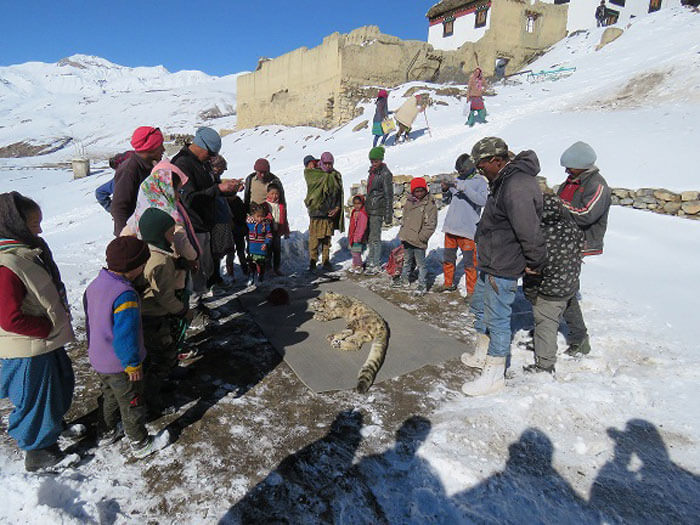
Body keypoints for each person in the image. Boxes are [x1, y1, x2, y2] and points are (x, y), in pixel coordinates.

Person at [461, 137, 546, 396]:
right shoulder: (503, 180)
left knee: (498, 319)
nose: (480, 171)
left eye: (481, 166)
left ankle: (494, 375)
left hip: (504, 263)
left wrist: (534, 262)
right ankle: (482, 353)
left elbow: (528, 229)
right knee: (480, 308)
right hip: (491, 260)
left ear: (496, 160)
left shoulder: (517, 184)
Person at [0, 192, 75, 472]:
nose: (40, 230)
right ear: (13, 223)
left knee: (59, 384)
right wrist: (44, 328)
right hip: (27, 347)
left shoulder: (25, 252)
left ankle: (52, 426)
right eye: (33, 224)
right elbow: (9, 318)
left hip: (44, 340)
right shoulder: (6, 266)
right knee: (35, 397)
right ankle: (38, 450)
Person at [84, 236, 164, 459]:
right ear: (135, 267)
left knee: (109, 396)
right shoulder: (124, 295)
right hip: (120, 364)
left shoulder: (95, 285)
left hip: (99, 359)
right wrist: (132, 362)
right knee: (132, 401)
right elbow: (125, 335)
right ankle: (139, 442)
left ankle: (106, 431)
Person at [173, 127, 237, 316]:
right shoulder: (183, 164)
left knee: (203, 268)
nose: (211, 158)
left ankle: (198, 303)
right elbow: (190, 199)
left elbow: (208, 188)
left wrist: (226, 187)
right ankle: (193, 310)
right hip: (193, 224)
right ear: (200, 146)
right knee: (195, 269)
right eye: (210, 154)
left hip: (204, 223)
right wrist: (219, 189)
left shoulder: (200, 163)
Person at [557, 141, 611, 357]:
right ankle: (550, 329)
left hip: (577, 244)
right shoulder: (572, 181)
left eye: (570, 166)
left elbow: (586, 213)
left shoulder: (597, 185)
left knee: (566, 290)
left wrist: (557, 206)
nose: (566, 170)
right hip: (561, 242)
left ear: (581, 164)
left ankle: (579, 338)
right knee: (557, 288)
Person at [522, 192, 584, 373]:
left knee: (546, 325)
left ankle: (545, 365)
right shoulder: (572, 227)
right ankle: (580, 340)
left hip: (550, 289)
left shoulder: (539, 236)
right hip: (570, 282)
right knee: (562, 312)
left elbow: (535, 266)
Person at [138, 208, 192, 414]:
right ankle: (151, 399)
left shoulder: (150, 251)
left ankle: (157, 384)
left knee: (155, 356)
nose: (173, 238)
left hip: (150, 314)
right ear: (158, 234)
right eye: (170, 233)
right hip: (153, 315)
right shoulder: (160, 261)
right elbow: (164, 295)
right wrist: (182, 311)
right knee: (163, 356)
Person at [434, 154, 488, 295]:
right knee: (448, 259)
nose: (459, 173)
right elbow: (447, 201)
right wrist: (446, 189)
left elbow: (482, 201)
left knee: (470, 263)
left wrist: (464, 188)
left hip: (468, 230)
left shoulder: (480, 182)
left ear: (469, 168)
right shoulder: (458, 180)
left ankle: (471, 292)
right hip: (451, 227)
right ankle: (448, 283)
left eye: (462, 171)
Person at [111, 127, 165, 236]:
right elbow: (119, 207)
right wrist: (126, 238)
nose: (163, 149)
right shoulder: (129, 170)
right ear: (151, 148)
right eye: (160, 146)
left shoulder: (151, 166)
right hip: (134, 234)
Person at [393, 177, 438, 296]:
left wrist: (422, 237)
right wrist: (403, 231)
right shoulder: (409, 201)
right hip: (408, 237)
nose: (419, 194)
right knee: (407, 260)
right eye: (416, 191)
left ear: (425, 190)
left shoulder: (429, 204)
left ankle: (422, 284)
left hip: (418, 240)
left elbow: (431, 224)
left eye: (421, 191)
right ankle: (404, 279)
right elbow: (405, 218)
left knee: (421, 264)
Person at [304, 152, 344, 271]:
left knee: (327, 239)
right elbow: (311, 184)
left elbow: (338, 194)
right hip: (316, 212)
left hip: (329, 213)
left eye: (330, 163)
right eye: (325, 163)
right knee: (314, 239)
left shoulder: (335, 175)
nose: (328, 166)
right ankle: (313, 261)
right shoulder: (313, 174)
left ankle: (326, 260)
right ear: (321, 162)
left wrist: (337, 208)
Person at [364, 146, 394, 275]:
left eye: (376, 161)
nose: (373, 163)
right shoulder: (373, 172)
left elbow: (389, 195)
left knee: (375, 238)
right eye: (372, 161)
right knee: (371, 237)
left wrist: (388, 214)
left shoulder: (385, 174)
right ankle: (371, 260)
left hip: (378, 209)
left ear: (381, 160)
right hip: (370, 208)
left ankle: (375, 263)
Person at [265, 183, 289, 276]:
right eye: (272, 193)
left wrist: (286, 231)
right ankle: (268, 269)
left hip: (277, 232)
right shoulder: (265, 205)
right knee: (268, 251)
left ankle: (276, 268)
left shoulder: (281, 206)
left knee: (277, 251)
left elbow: (285, 219)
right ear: (267, 194)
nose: (274, 196)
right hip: (268, 232)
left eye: (276, 194)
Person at [246, 203, 273, 286]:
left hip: (261, 248)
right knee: (251, 263)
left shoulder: (265, 225)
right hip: (252, 248)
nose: (260, 219)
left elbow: (269, 235)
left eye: (262, 216)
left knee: (261, 264)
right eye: (258, 216)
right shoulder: (250, 223)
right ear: (253, 216)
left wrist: (266, 243)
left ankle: (260, 276)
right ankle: (251, 276)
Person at [225, 189, 249, 280]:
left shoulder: (238, 201)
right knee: (230, 252)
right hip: (230, 232)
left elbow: (243, 215)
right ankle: (230, 272)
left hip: (239, 231)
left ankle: (245, 269)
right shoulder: (225, 203)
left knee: (241, 251)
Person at [347, 195, 369, 273]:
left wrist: (359, 236)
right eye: (355, 203)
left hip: (358, 237)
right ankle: (355, 264)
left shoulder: (362, 214)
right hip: (353, 236)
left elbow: (362, 226)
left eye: (358, 203)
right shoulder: (354, 212)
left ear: (362, 203)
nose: (356, 205)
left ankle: (359, 265)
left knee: (356, 252)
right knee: (353, 252)